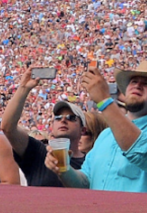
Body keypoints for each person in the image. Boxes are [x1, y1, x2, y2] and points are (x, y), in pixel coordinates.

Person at [46, 61, 147, 192]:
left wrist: (104, 101)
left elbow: (139, 152)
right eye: (133, 81)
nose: (138, 85)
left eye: (146, 83)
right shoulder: (106, 135)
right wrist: (64, 170)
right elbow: (86, 182)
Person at [0, 67, 84, 187]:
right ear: (52, 126)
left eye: (71, 118)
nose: (63, 120)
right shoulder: (39, 153)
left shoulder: (90, 161)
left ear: (83, 129)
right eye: (58, 118)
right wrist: (24, 88)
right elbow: (8, 127)